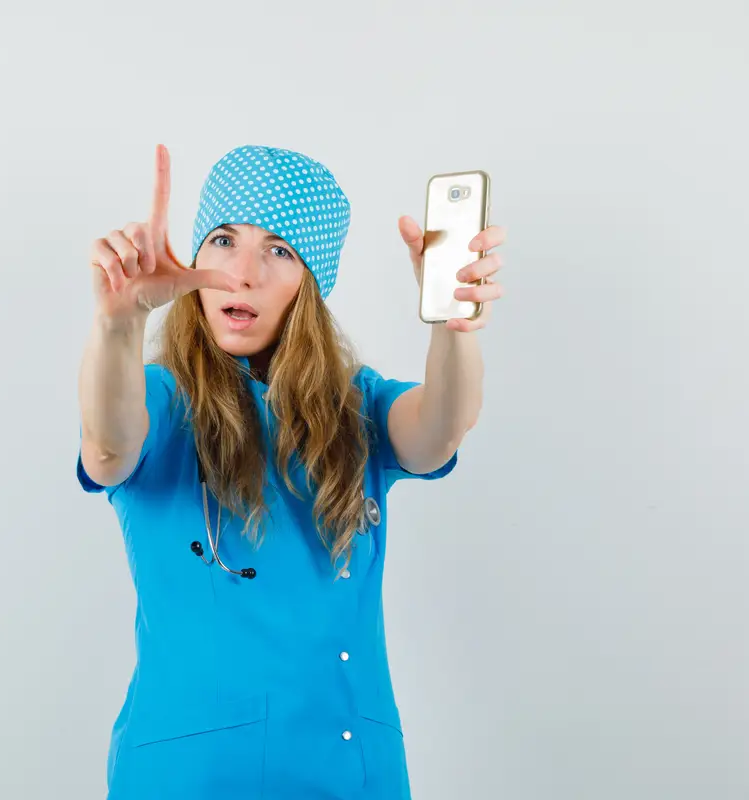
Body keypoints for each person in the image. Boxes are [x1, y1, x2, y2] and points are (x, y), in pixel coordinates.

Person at [77, 143, 505, 799]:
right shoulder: (164, 400)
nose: (243, 272)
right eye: (223, 239)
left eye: (279, 249)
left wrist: (453, 325)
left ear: (311, 280)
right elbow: (107, 447)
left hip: (346, 769)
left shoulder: (355, 405)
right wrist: (119, 326)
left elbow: (438, 430)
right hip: (191, 777)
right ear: (194, 260)